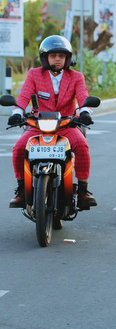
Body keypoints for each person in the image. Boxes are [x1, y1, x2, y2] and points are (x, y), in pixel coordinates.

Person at [8, 35, 97, 209]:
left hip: (66, 125)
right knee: (19, 148)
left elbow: (82, 95)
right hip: (38, 126)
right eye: (53, 55)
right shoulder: (34, 74)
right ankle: (21, 190)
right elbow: (25, 95)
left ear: (67, 58)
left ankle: (83, 191)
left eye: (61, 56)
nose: (57, 59)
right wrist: (18, 112)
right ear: (45, 58)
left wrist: (84, 112)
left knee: (82, 146)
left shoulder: (76, 77)